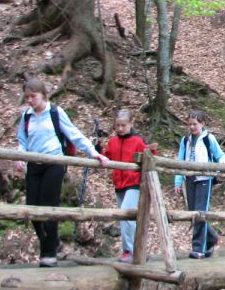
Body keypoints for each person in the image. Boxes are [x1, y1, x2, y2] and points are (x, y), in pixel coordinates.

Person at [15, 77, 109, 267]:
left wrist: (93, 153)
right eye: (27, 97)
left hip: (54, 163)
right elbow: (22, 141)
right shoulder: (27, 117)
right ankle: (52, 243)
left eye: (33, 96)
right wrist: (19, 156)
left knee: (49, 206)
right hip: (34, 164)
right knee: (32, 208)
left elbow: (74, 134)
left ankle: (48, 254)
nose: (30, 101)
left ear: (43, 95)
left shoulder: (55, 113)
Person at [174, 110, 225, 259]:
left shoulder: (208, 139)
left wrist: (223, 165)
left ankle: (198, 248)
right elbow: (181, 161)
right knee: (193, 212)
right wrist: (178, 180)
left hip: (205, 179)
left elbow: (220, 155)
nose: (192, 127)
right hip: (190, 179)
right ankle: (212, 239)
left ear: (202, 124)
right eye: (190, 124)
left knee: (200, 212)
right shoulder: (185, 140)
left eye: (195, 124)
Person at [103, 109, 152, 263]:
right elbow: (107, 158)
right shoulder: (113, 142)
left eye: (123, 125)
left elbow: (149, 157)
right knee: (129, 218)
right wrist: (97, 150)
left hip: (134, 184)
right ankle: (140, 249)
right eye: (117, 125)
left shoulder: (137, 141)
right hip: (119, 184)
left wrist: (152, 150)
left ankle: (128, 251)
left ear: (131, 124)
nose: (120, 129)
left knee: (126, 216)